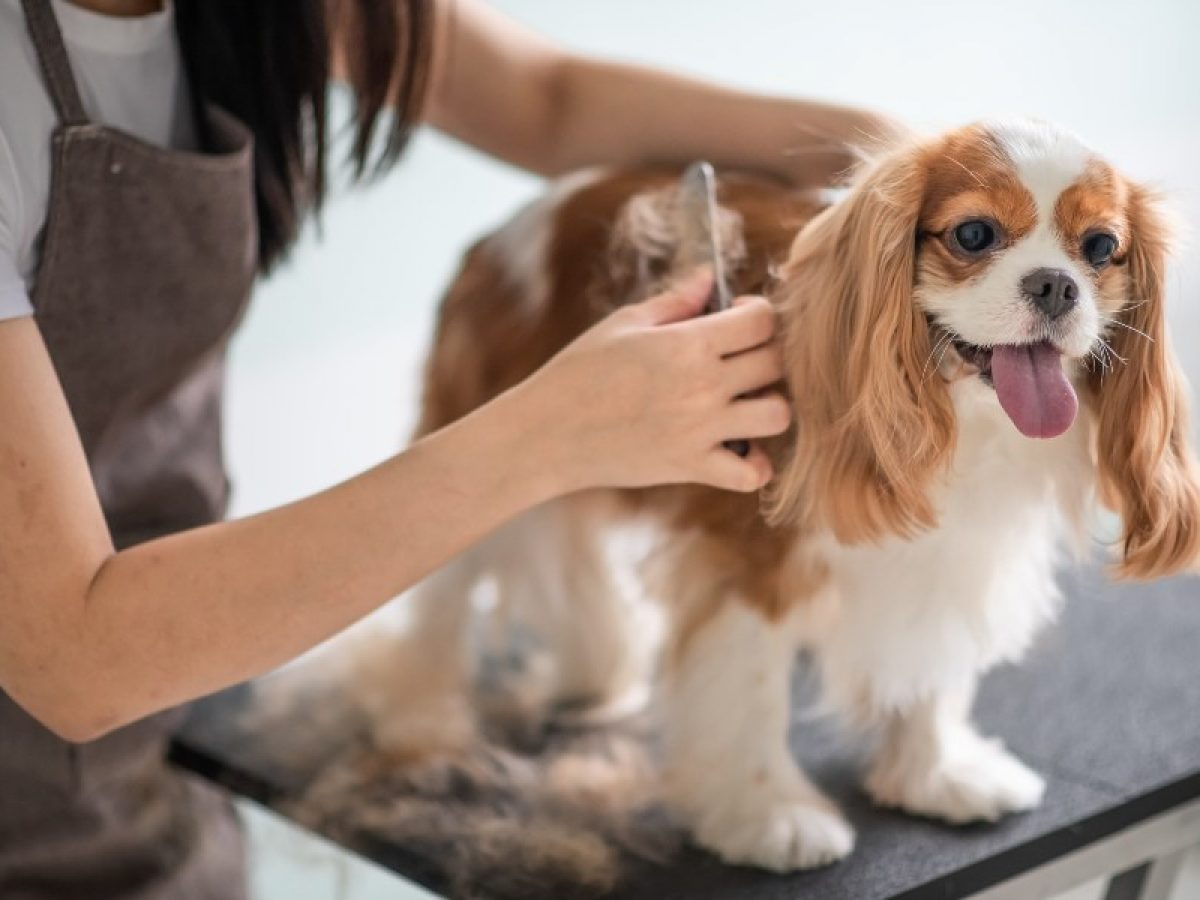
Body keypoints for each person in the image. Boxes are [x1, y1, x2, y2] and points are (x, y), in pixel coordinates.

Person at [0, 0, 893, 895]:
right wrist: (547, 435)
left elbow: (547, 101)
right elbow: (76, 657)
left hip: (150, 793)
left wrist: (881, 155)